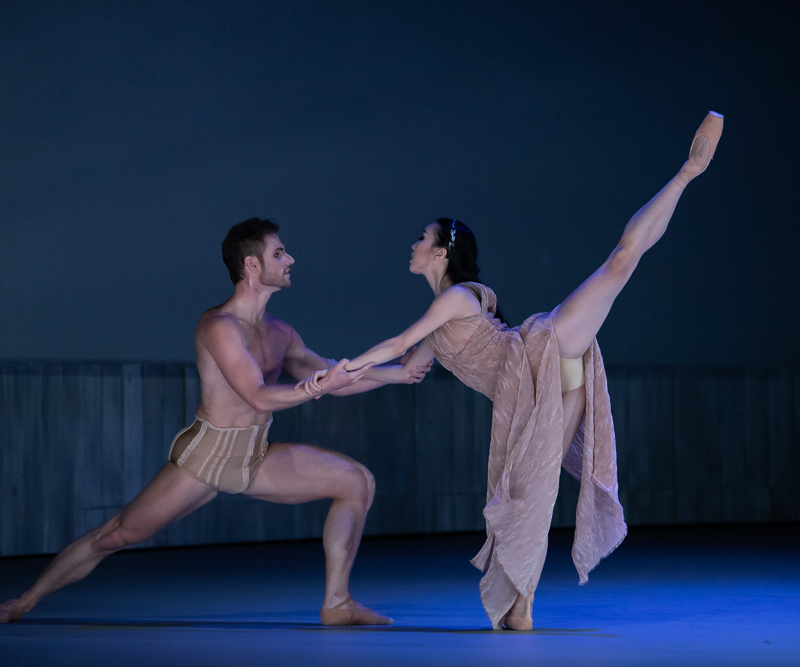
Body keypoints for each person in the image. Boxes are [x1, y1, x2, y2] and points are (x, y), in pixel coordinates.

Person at [299, 112, 724, 630]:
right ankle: (520, 605)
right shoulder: (442, 323)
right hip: (532, 395)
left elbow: (398, 343)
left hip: (540, 354)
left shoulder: (457, 296)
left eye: (420, 238)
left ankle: (687, 172)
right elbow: (406, 371)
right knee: (533, 492)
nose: (412, 244)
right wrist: (338, 382)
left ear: (441, 251)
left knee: (618, 264)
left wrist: (348, 362)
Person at [0, 218, 432, 626]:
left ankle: (337, 603)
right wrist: (318, 385)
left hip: (253, 456)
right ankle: (25, 600)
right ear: (252, 265)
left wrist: (397, 374)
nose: (290, 258)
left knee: (357, 481)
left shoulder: (281, 332)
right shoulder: (220, 326)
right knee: (116, 535)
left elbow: (334, 375)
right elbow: (256, 393)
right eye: (280, 253)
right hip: (204, 458)